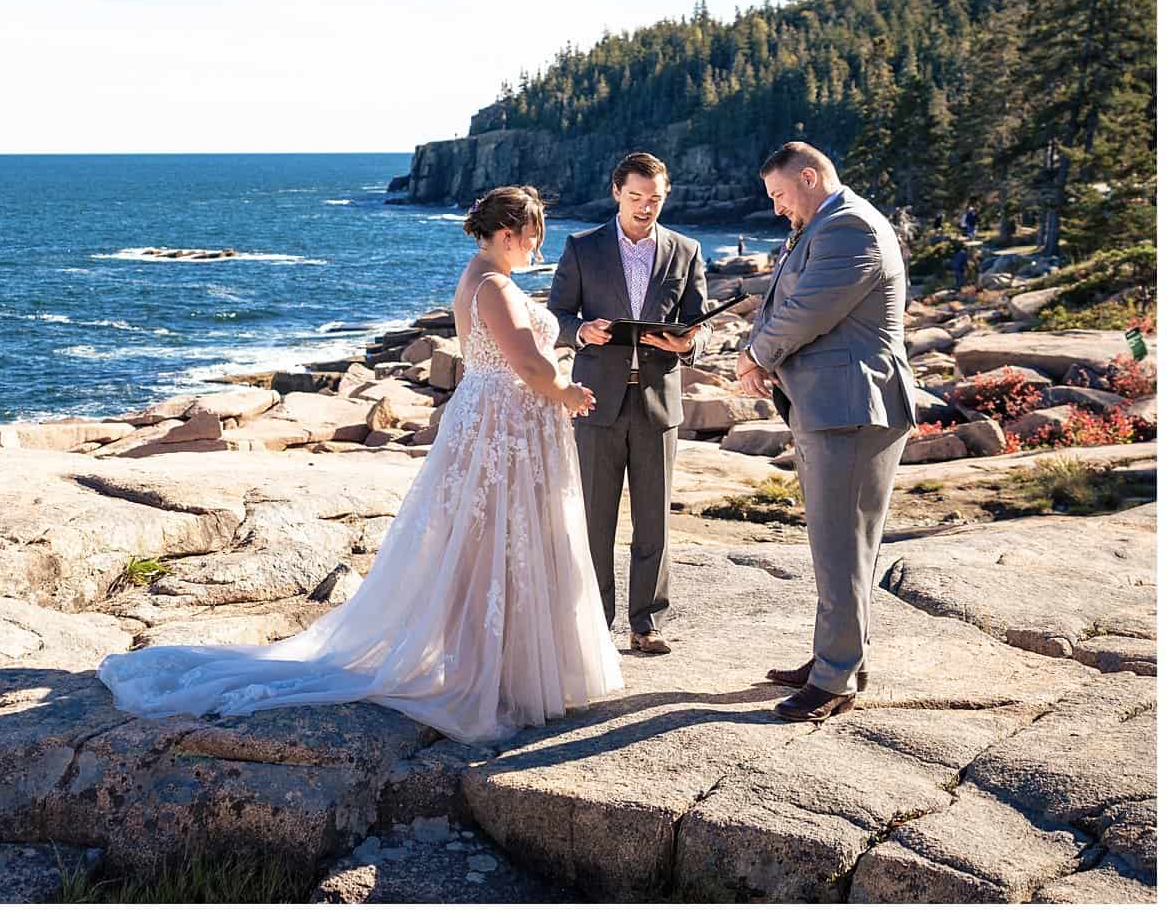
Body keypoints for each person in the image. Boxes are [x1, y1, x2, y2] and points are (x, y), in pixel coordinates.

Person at [97, 186, 622, 745]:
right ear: (511, 233)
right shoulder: (492, 283)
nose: (538, 248)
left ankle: (501, 666)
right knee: (494, 542)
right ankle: (488, 674)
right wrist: (565, 391)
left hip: (496, 421)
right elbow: (523, 360)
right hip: (500, 427)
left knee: (493, 542)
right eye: (535, 237)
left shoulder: (481, 274)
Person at [735, 142, 918, 723]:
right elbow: (789, 303)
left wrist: (756, 357)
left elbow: (809, 308)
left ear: (809, 177)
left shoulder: (851, 228)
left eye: (781, 195)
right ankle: (837, 659)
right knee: (838, 543)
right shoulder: (828, 222)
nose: (778, 209)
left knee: (841, 544)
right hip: (833, 405)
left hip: (852, 406)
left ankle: (835, 678)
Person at [545, 151, 711, 655]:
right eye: (636, 197)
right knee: (595, 518)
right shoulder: (582, 247)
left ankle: (646, 623)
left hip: (659, 403)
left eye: (654, 199)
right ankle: (596, 624)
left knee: (654, 519)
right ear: (617, 192)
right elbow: (555, 315)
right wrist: (581, 332)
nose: (645, 207)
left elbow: (700, 325)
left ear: (666, 196)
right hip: (596, 402)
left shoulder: (686, 249)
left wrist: (687, 345)